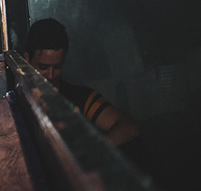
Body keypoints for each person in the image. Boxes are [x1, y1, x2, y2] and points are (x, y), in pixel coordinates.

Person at [24, 18, 139, 146]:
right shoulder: (16, 99)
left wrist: (91, 152)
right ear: (27, 59)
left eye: (57, 67)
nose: (51, 75)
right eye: (43, 67)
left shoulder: (79, 97)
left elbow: (129, 127)